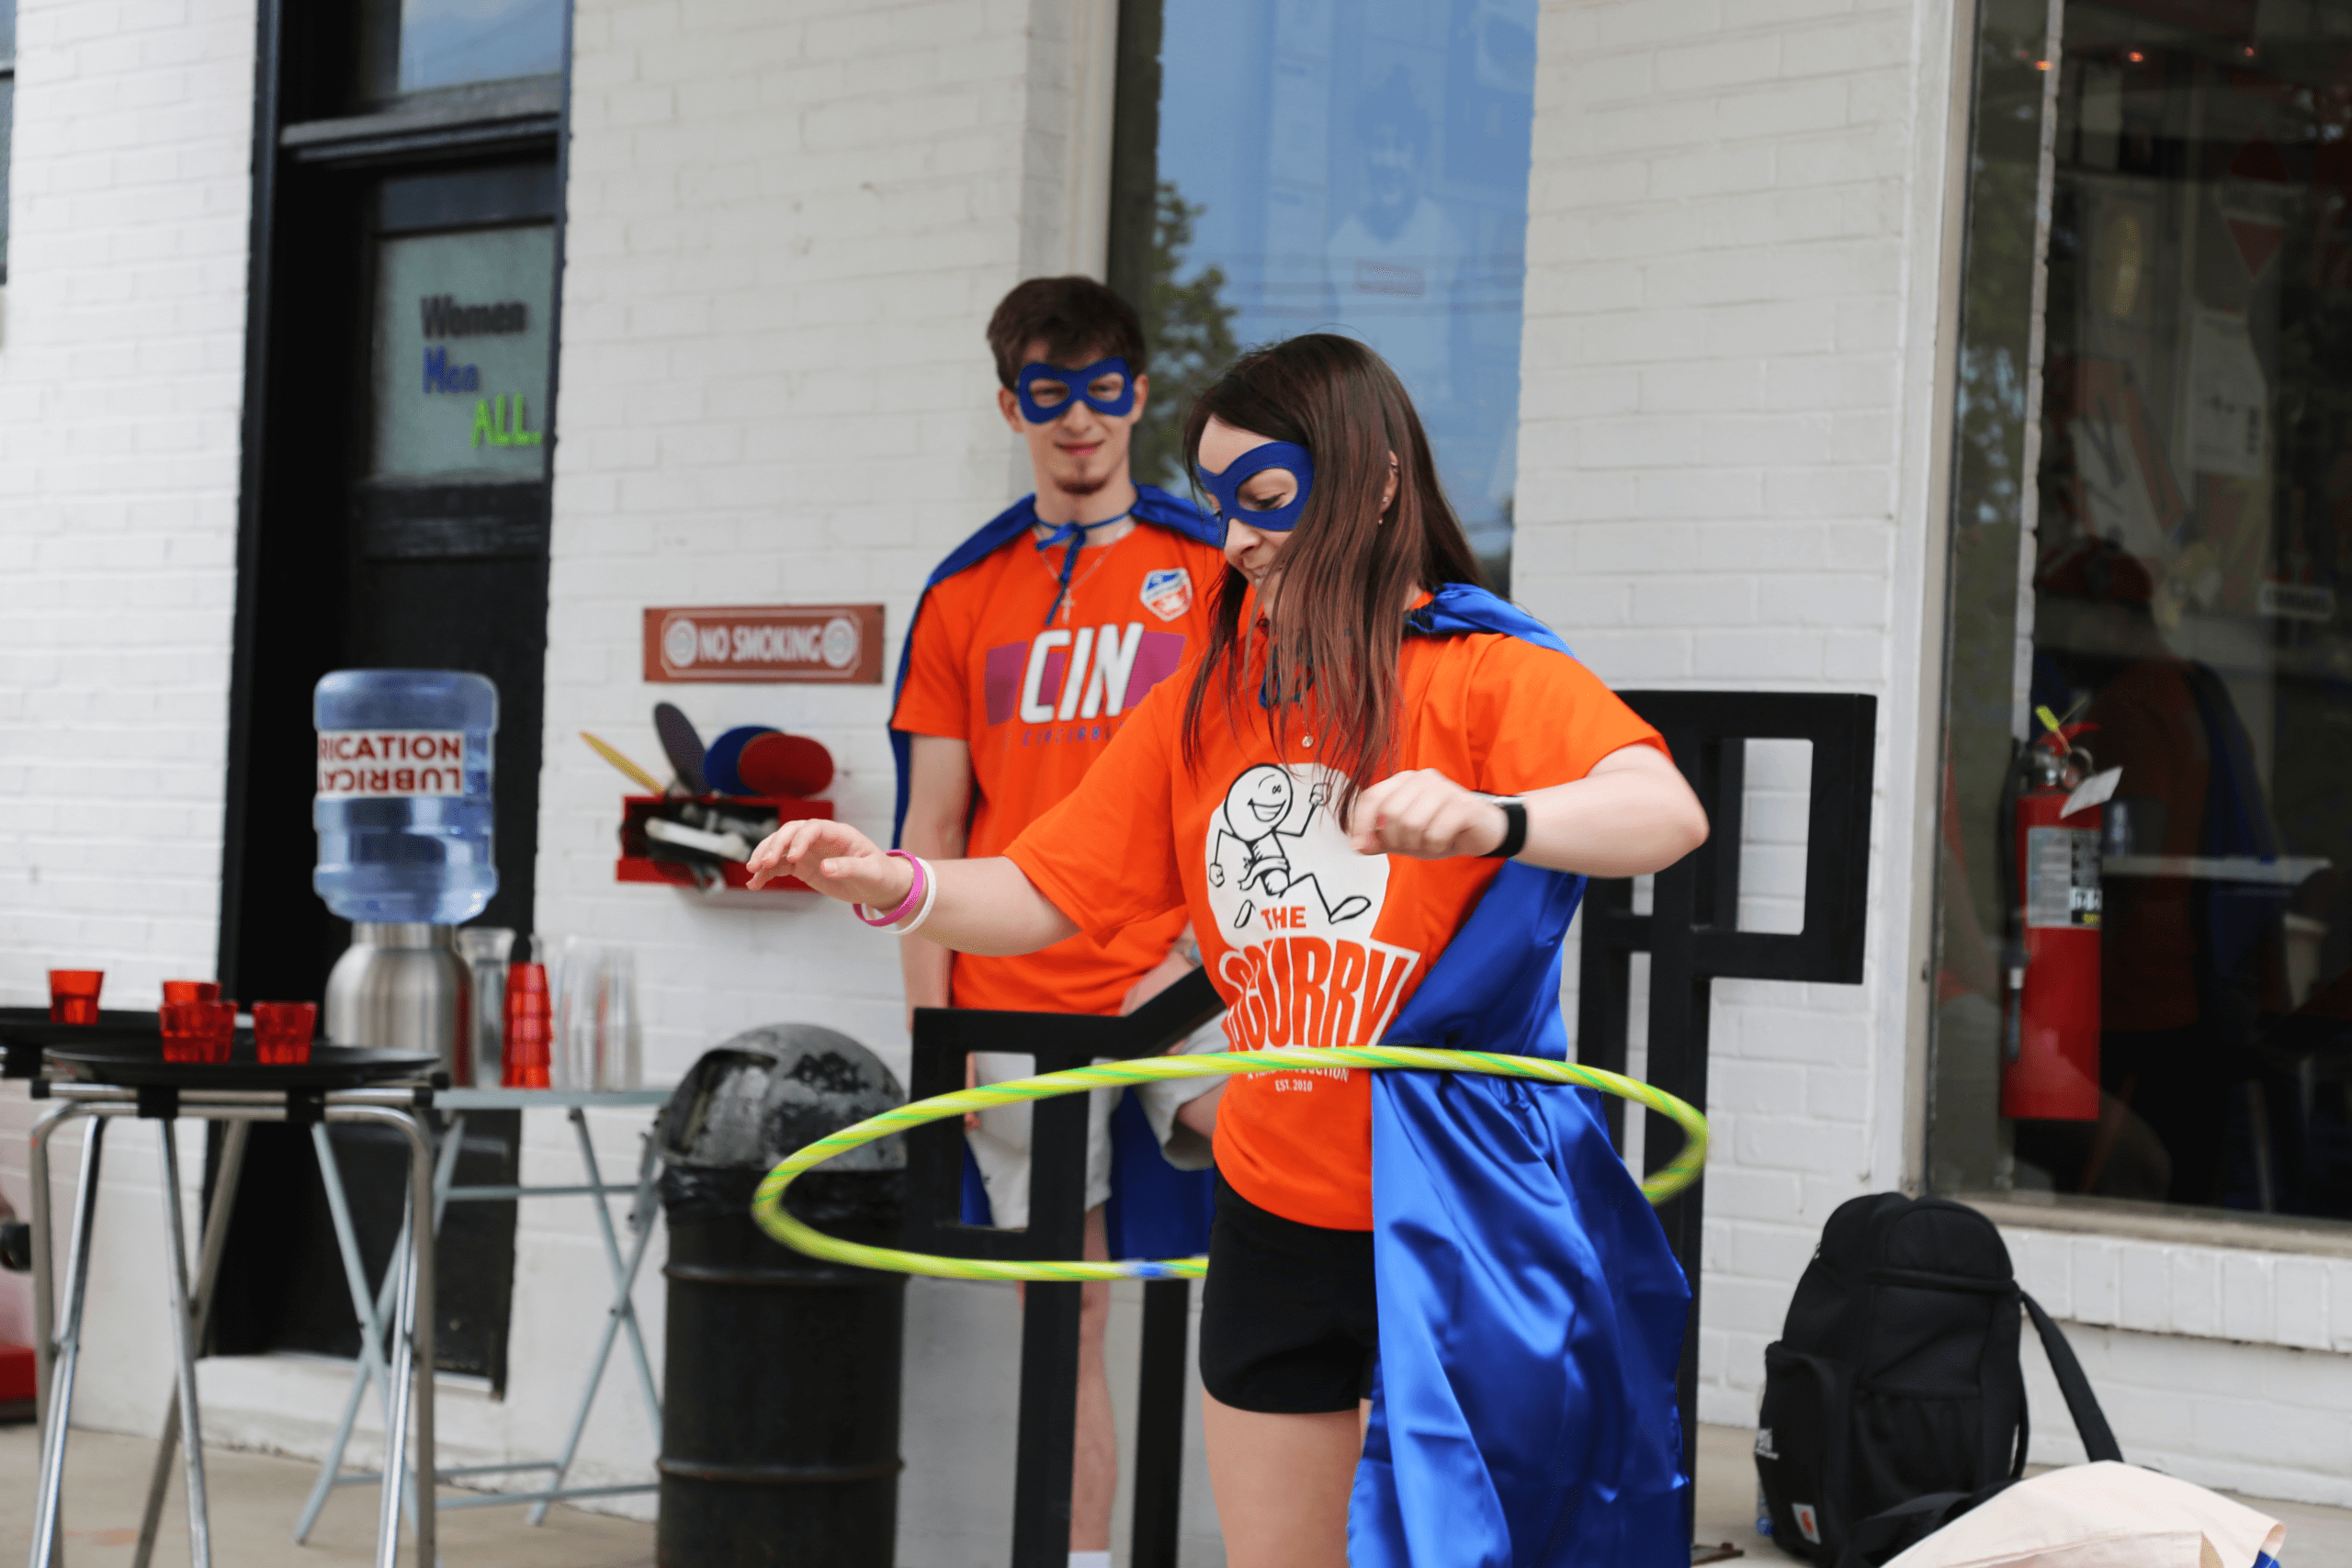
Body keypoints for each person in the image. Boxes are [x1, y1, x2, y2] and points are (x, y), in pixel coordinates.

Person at [757, 333, 1708, 1568]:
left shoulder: (1482, 675)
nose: (1237, 539)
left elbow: (1664, 810)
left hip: (1463, 1203)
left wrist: (1499, 818)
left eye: (1267, 500)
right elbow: (1049, 890)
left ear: (1370, 484)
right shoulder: (1207, 698)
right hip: (1276, 1206)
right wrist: (891, 881)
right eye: (1219, 507)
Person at [887, 275, 1230, 1566]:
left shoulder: (1210, 568)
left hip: (1179, 969)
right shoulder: (963, 592)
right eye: (1048, 392)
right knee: (1066, 1316)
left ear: (1138, 393)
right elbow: (928, 831)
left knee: (1300, 1202)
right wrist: (942, 1038)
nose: (1078, 419)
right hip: (1014, 992)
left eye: (1102, 388)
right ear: (1009, 405)